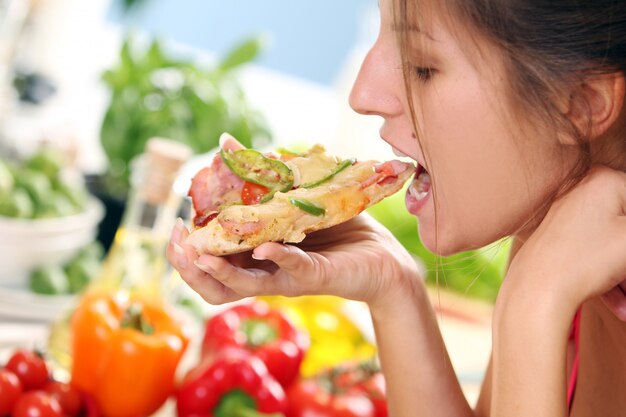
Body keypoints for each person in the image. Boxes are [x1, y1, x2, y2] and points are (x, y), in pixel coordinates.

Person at [167, 0, 626, 415]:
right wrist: (394, 290)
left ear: (581, 106)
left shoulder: (547, 276)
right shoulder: (562, 234)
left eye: (423, 67)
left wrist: (531, 306)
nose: (363, 94)